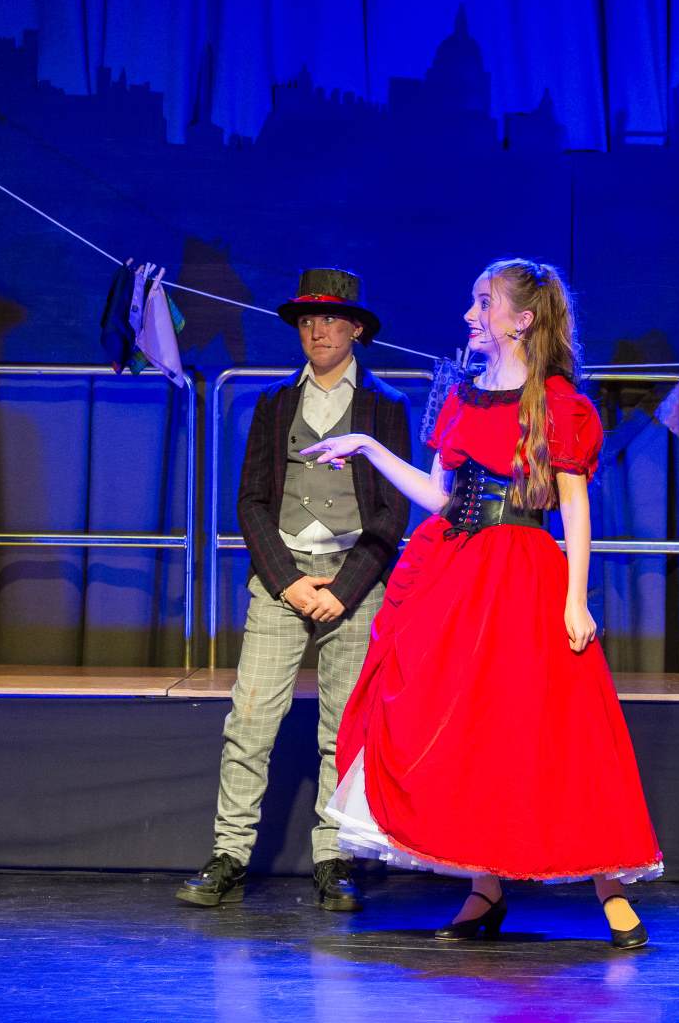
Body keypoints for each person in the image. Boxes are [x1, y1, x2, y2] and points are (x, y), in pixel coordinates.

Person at [305, 258, 663, 950]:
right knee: (466, 727)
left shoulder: (557, 403)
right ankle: (484, 887)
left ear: (520, 320)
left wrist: (576, 599)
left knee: (555, 725)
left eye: (483, 303)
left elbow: (574, 507)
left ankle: (610, 885)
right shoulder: (462, 395)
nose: (470, 315)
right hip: (456, 568)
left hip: (522, 570)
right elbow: (440, 496)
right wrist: (368, 446)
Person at [177, 268, 412, 912]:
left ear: (355, 329)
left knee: (343, 728)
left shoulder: (386, 405)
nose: (316, 331)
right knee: (251, 720)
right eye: (307, 321)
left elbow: (393, 510)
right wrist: (287, 580)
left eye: (329, 319)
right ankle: (229, 852)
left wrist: (345, 588)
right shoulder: (275, 402)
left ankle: (334, 857)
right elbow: (251, 500)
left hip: (353, 581)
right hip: (283, 579)